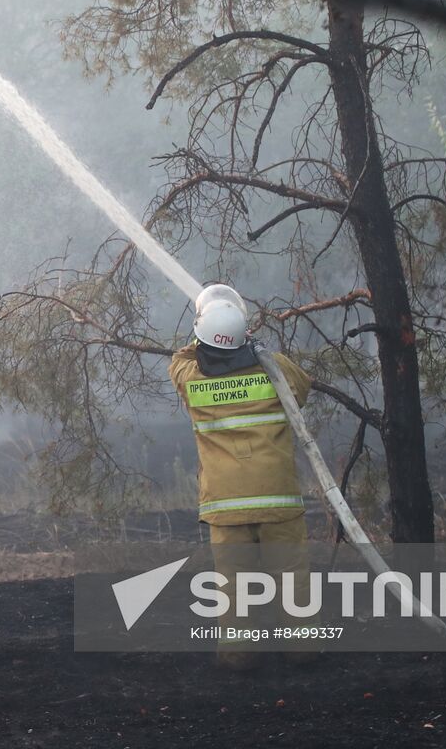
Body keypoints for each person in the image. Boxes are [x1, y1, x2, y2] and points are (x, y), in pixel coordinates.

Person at [168, 284, 315, 668]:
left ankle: (238, 659)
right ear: (243, 335)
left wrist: (205, 325)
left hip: (226, 504)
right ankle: (303, 653)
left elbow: (179, 358)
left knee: (233, 587)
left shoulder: (192, 379)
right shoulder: (276, 370)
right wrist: (250, 345)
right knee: (291, 581)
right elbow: (303, 388)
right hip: (277, 497)